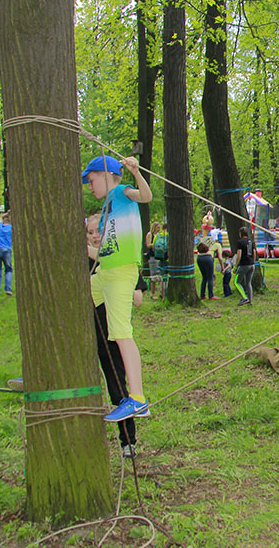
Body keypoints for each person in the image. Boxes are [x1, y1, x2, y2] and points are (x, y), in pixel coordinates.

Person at [82, 154, 152, 422]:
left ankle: (138, 399)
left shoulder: (121, 193)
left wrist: (135, 172)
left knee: (121, 333)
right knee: (75, 302)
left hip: (122, 273)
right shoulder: (106, 211)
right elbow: (103, 253)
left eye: (92, 180)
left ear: (107, 174)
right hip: (105, 273)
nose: (90, 187)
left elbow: (145, 196)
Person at [87, 214, 142, 457]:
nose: (95, 236)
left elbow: (137, 296)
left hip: (109, 336)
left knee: (117, 385)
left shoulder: (118, 259)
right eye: (89, 232)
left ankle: (127, 441)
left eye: (99, 230)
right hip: (81, 332)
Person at [0, 211, 14, 298]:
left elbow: (0, 218)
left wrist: (6, 214)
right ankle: (8, 288)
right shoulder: (11, 228)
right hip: (6, 249)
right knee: (8, 270)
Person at [235, 227, 255, 306]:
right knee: (248, 283)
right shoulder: (251, 242)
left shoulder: (240, 242)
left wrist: (236, 266)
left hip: (244, 264)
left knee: (237, 282)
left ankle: (244, 298)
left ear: (241, 234)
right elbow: (254, 253)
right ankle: (250, 301)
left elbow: (239, 255)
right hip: (251, 264)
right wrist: (252, 261)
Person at [145, 221, 162, 299]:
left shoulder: (159, 235)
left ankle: (161, 292)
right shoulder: (150, 235)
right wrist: (154, 244)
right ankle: (153, 293)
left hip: (159, 256)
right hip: (152, 256)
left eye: (159, 228)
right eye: (157, 227)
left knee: (160, 274)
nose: (159, 229)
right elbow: (148, 245)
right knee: (153, 275)